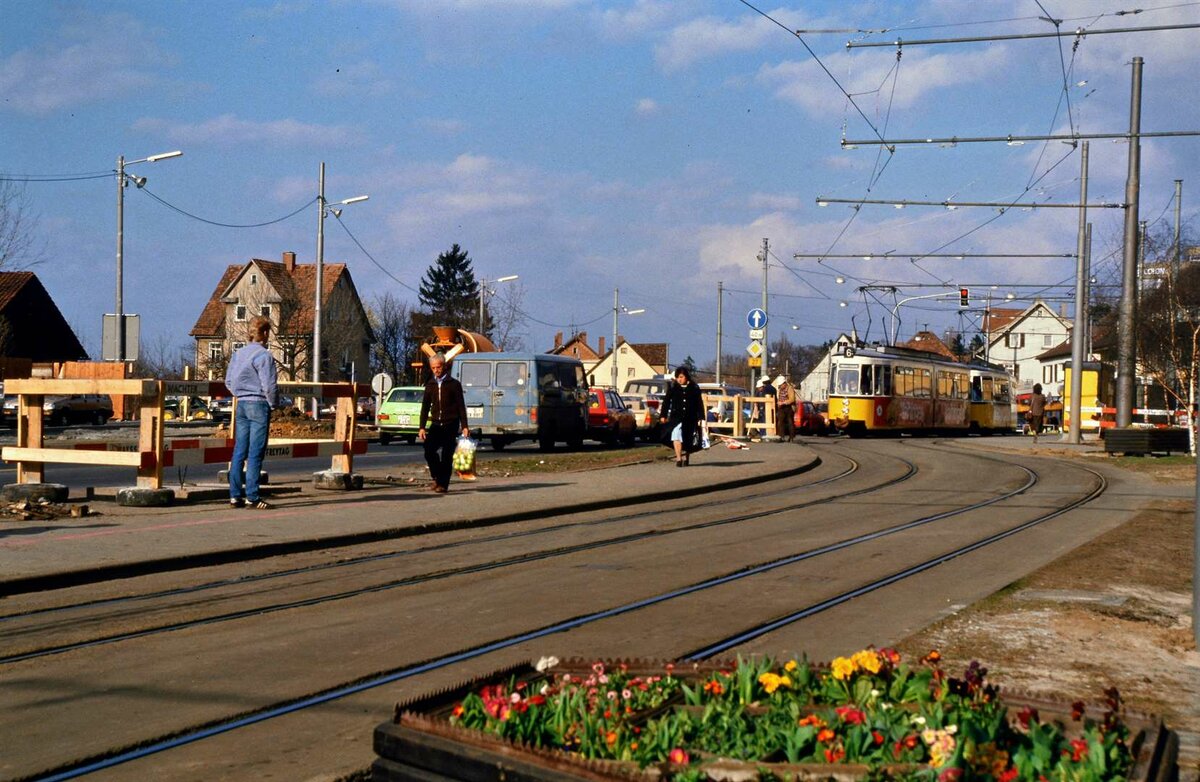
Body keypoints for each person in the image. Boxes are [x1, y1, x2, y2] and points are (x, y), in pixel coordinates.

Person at [225, 315, 278, 509]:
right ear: (264, 333)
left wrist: (240, 393)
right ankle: (253, 496)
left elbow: (229, 381)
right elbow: (269, 385)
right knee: (255, 453)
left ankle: (234, 495)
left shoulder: (239, 354)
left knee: (239, 450)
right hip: (258, 404)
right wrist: (273, 404)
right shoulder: (264, 356)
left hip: (242, 404)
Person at [418, 353, 470, 493]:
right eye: (433, 368)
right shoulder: (430, 384)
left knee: (447, 455)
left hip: (450, 423)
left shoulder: (454, 384)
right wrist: (421, 427)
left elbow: (460, 406)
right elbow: (425, 406)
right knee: (429, 451)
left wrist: (464, 426)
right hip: (436, 424)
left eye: (438, 367)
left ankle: (443, 484)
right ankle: (436, 476)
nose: (436, 370)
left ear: (444, 366)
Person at [659, 365, 705, 466]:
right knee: (676, 435)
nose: (679, 379)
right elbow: (666, 402)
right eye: (678, 377)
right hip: (676, 418)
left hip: (690, 418)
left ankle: (686, 457)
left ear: (686, 377)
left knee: (687, 438)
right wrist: (663, 415)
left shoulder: (694, 388)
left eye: (681, 377)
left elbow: (699, 403)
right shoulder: (673, 388)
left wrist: (701, 417)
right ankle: (678, 459)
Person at [775, 374, 796, 442]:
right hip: (782, 407)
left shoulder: (790, 388)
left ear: (784, 383)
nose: (780, 386)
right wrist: (779, 403)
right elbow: (780, 397)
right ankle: (781, 436)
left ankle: (791, 437)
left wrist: (783, 402)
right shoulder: (780, 390)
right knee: (780, 421)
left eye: (780, 385)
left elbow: (792, 399)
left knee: (790, 421)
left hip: (789, 407)